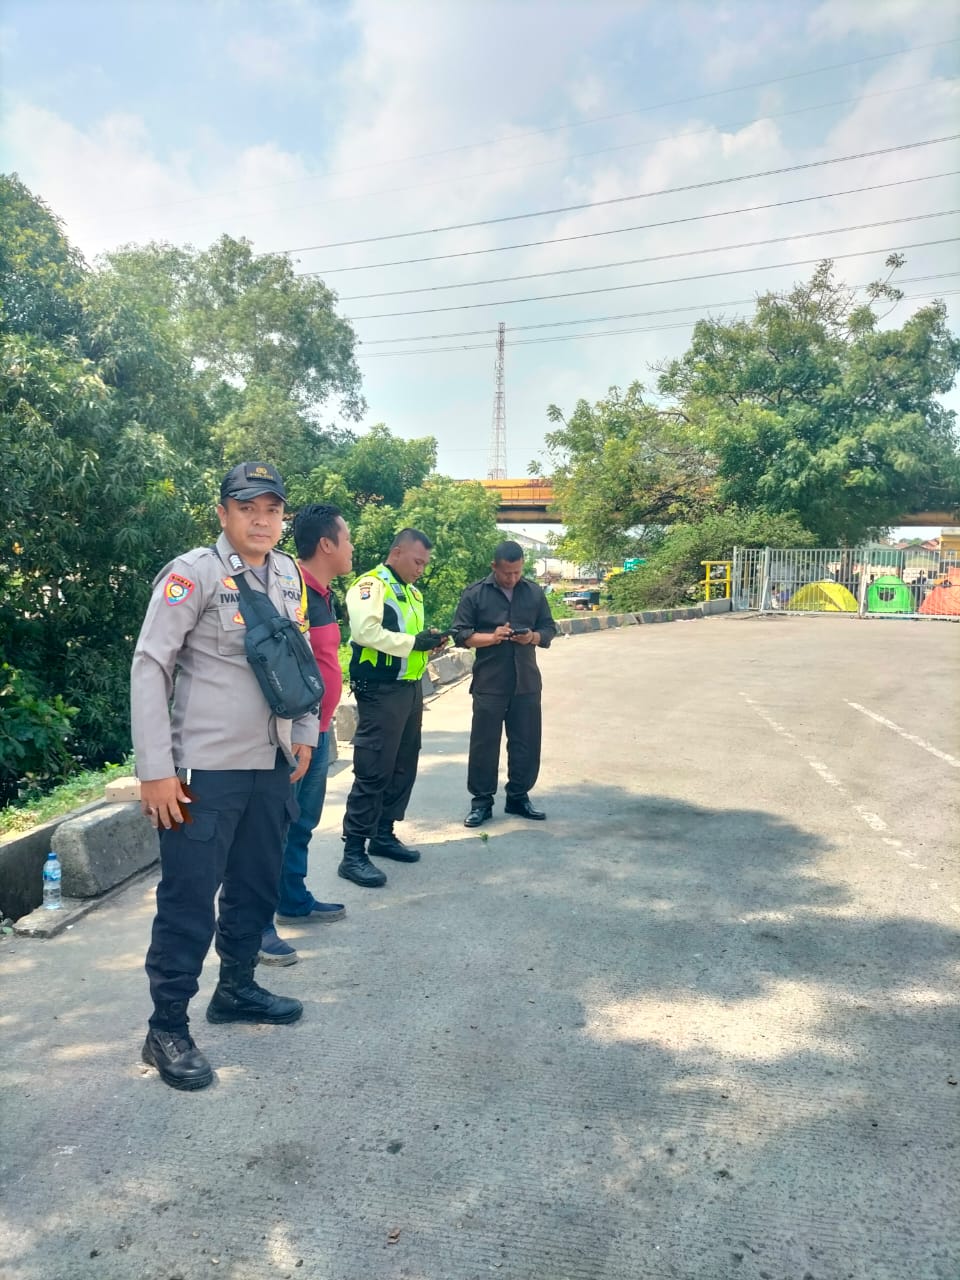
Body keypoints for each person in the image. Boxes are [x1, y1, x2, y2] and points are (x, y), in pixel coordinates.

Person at [131, 462, 316, 1091]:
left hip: (271, 762)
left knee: (255, 887)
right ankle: (166, 1028)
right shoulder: (194, 574)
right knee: (188, 901)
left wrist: (305, 730)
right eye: (247, 508)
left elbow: (296, 655)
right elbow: (150, 666)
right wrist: (155, 769)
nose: (262, 520)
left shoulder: (287, 573)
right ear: (223, 513)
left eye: (272, 509)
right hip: (203, 771)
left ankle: (236, 989)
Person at [259, 504, 354, 966]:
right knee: (271, 829)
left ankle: (292, 898)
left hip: (318, 730)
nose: (352, 547)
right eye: (347, 538)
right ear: (326, 544)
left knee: (302, 822)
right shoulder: (289, 591)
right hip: (292, 734)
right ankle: (256, 925)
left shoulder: (323, 593)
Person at [338, 528, 447, 889]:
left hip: (409, 689)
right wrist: (414, 642)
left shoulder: (412, 592)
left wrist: (427, 643)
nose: (420, 569)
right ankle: (353, 853)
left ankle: (383, 834)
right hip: (380, 690)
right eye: (417, 561)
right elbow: (365, 632)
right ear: (397, 552)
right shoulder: (371, 585)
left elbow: (406, 639)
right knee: (374, 768)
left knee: (403, 765)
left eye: (425, 564)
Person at [451, 540, 557, 827]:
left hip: (526, 682)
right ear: (494, 567)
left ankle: (519, 797)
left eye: (517, 572)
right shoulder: (475, 593)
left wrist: (532, 637)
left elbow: (549, 628)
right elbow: (460, 634)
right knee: (484, 744)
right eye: (507, 573)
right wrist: (492, 637)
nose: (512, 578)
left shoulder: (533, 592)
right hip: (490, 682)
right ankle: (481, 803)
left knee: (526, 742)